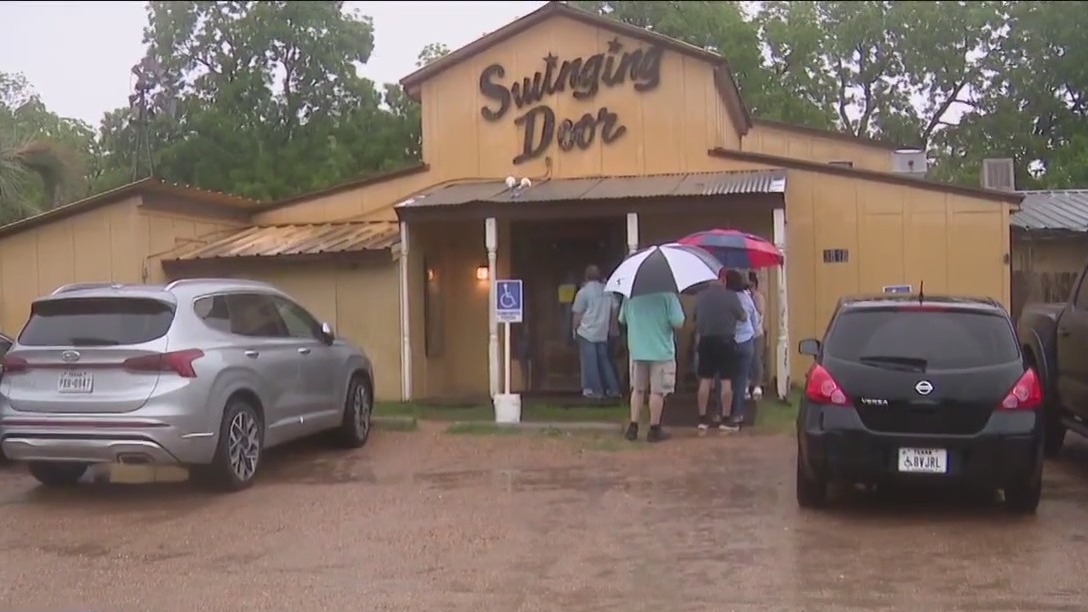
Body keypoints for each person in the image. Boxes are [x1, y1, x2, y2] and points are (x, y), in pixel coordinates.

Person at [620, 291, 685, 443]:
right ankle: (654, 428)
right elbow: (679, 322)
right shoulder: (668, 296)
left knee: (637, 389)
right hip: (661, 351)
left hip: (637, 349)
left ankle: (633, 426)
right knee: (657, 391)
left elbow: (622, 319)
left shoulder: (630, 294)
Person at [693, 268, 748, 433]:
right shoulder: (731, 296)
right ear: (723, 280)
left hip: (705, 340)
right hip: (725, 340)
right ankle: (725, 418)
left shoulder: (701, 297)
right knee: (726, 381)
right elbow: (743, 317)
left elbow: (695, 317)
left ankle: (702, 418)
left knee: (705, 380)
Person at [571, 265, 621, 399]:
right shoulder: (607, 291)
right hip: (602, 331)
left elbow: (577, 314)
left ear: (586, 277)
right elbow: (615, 308)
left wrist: (574, 329)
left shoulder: (583, 292)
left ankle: (593, 390)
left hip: (586, 331)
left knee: (589, 362)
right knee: (604, 361)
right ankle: (613, 389)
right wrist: (612, 325)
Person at [724, 269, 757, 428]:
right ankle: (737, 413)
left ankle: (723, 411)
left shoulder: (725, 299)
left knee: (724, 379)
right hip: (746, 341)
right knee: (741, 379)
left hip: (728, 341)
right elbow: (754, 320)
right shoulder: (747, 298)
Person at [746, 271, 767, 400]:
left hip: (757, 333)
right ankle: (747, 384)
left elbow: (760, 311)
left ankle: (757, 385)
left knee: (756, 359)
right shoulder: (744, 297)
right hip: (746, 334)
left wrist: (752, 298)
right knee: (747, 360)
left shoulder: (758, 297)